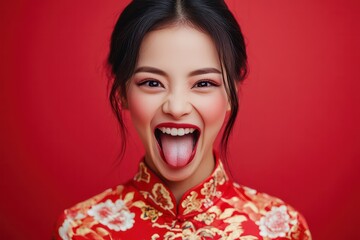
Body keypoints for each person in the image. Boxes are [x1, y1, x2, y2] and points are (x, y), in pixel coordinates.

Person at [54, 0, 312, 239]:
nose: (176, 107)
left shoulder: (282, 229)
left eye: (203, 83)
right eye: (152, 83)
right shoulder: (80, 229)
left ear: (232, 93)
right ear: (122, 92)